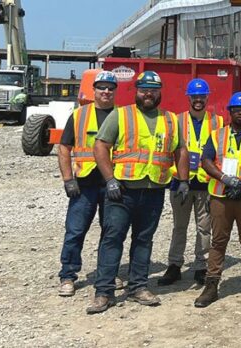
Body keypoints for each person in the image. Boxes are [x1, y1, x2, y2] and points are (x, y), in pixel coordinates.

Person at [88, 71, 189, 314]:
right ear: (136, 90)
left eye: (153, 89)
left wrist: (184, 179)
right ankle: (104, 292)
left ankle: (138, 287)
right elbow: (100, 146)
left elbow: (180, 150)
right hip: (121, 191)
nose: (148, 93)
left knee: (144, 240)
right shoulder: (120, 115)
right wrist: (109, 179)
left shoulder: (170, 119)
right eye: (144, 89)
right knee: (113, 239)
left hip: (153, 190)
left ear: (160, 92)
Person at [193, 92, 241, 308]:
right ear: (230, 112)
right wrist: (226, 179)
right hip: (221, 196)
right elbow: (206, 160)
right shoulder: (217, 134)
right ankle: (211, 285)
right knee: (218, 241)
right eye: (237, 109)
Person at [56, 71, 119, 297]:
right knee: (75, 230)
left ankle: (107, 273)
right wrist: (67, 179)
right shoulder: (80, 115)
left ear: (115, 91)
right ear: (94, 90)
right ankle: (68, 275)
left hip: (112, 184)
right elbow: (64, 148)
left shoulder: (122, 116)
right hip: (84, 184)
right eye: (102, 87)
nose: (106, 91)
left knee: (111, 232)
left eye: (110, 88)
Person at [158, 78, 223, 287]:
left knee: (204, 228)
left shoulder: (218, 122)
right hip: (181, 182)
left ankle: (201, 266)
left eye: (201, 97)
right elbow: (168, 149)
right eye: (194, 97)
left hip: (205, 183)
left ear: (207, 98)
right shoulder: (177, 121)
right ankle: (175, 265)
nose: (198, 100)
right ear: (189, 97)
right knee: (179, 226)